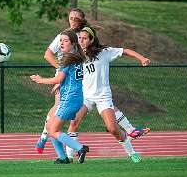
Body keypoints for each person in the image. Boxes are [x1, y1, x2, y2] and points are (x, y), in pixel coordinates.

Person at [63, 26, 151, 163]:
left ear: (91, 40)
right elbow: (67, 72)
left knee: (113, 129)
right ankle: (69, 156)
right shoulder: (77, 55)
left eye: (84, 38)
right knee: (73, 122)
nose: (81, 41)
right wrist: (59, 83)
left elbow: (125, 51)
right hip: (85, 96)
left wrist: (142, 58)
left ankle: (132, 153)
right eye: (79, 38)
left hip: (103, 97)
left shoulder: (104, 52)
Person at [30, 29, 89, 164]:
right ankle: (63, 158)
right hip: (75, 98)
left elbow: (58, 79)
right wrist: (61, 85)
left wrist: (40, 80)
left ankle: (80, 148)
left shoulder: (67, 59)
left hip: (69, 99)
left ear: (73, 44)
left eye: (65, 41)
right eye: (60, 40)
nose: (61, 43)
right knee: (51, 127)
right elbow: (68, 79)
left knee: (53, 130)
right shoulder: (76, 58)